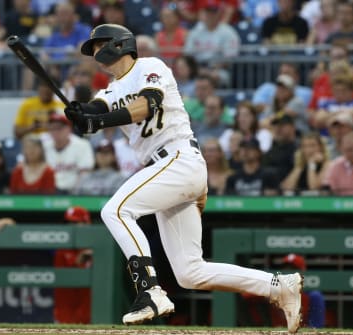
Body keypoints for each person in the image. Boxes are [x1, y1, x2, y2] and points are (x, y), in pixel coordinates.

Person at [63, 23, 303, 332]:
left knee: (116, 210)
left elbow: (148, 105)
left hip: (178, 157)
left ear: (119, 44)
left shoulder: (149, 66)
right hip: (166, 170)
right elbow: (97, 107)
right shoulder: (111, 89)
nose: (95, 52)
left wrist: (100, 120)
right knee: (191, 273)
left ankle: (149, 290)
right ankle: (278, 286)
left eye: (99, 45)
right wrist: (81, 114)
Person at [44, 112, 94, 194]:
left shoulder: (82, 145)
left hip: (75, 192)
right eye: (52, 128)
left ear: (69, 129)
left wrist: (75, 193)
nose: (56, 132)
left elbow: (85, 172)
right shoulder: (44, 146)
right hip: (50, 193)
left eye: (59, 128)